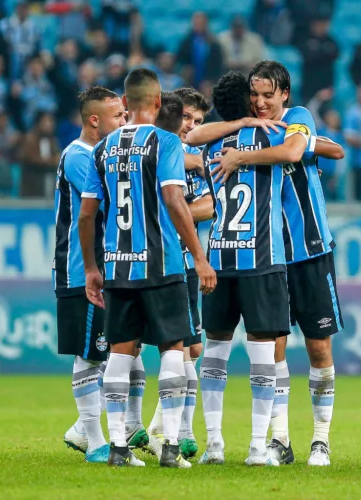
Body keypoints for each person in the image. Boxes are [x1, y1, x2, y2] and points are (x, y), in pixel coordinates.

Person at [187, 61, 345, 467]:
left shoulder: (297, 120)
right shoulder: (246, 130)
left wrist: (244, 157)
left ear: (284, 95)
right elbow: (197, 136)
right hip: (267, 255)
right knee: (272, 351)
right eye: (254, 96)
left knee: (318, 346)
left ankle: (321, 440)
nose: (260, 102)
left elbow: (301, 150)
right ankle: (280, 438)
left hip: (308, 248)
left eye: (267, 95)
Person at [79, 68, 216, 468]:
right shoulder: (166, 141)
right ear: (158, 103)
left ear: (125, 103)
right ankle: (171, 445)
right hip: (161, 264)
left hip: (118, 267)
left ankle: (118, 447)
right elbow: (175, 200)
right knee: (174, 347)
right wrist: (201, 257)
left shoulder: (102, 148)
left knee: (121, 352)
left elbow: (87, 215)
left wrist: (92, 268)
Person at [56, 86, 127, 463]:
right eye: (118, 116)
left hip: (106, 268)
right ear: (94, 120)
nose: (124, 121)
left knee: (115, 351)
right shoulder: (81, 156)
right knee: (91, 355)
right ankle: (97, 443)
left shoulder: (101, 154)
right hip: (81, 270)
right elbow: (103, 206)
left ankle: (83, 429)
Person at [146, 87, 213, 461]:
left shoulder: (193, 160)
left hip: (185, 263)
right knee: (156, 347)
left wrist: (183, 209)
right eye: (187, 117)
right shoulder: (157, 151)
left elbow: (210, 205)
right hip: (154, 263)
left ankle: (169, 429)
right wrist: (181, 210)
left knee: (191, 347)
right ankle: (146, 430)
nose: (191, 126)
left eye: (199, 121)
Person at [296, 16, 339, 102]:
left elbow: (335, 54)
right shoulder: (305, 39)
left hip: (326, 86)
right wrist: (323, 52)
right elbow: (308, 55)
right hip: (309, 87)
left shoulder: (331, 41)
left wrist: (318, 50)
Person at [176, 12, 223, 89]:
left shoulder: (213, 42)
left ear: (206, 23)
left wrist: (211, 80)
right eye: (196, 22)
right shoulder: (186, 41)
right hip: (190, 79)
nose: (198, 24)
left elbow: (217, 64)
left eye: (200, 22)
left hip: (208, 80)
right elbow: (180, 60)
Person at [20, 111, 61, 198]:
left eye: (51, 122)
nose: (50, 125)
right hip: (33, 182)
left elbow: (58, 158)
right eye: (46, 122)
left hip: (49, 181)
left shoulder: (53, 140)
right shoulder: (30, 139)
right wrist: (49, 161)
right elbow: (34, 159)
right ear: (38, 123)